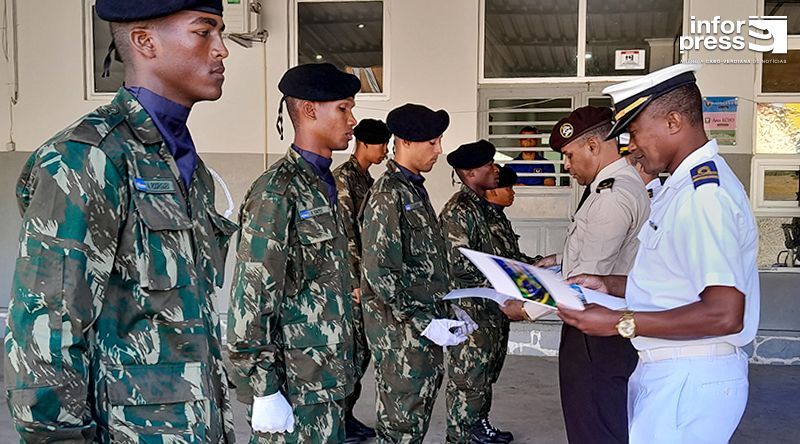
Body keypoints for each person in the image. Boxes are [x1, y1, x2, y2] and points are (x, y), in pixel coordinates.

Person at [4, 1, 237, 442]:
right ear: (145, 41)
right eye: (204, 32)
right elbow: (44, 333)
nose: (222, 49)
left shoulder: (186, 166)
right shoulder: (87, 156)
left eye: (220, 33)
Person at [558, 63, 760, 444]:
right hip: (672, 372)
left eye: (634, 132)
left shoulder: (705, 196)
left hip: (690, 377)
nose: (631, 146)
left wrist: (619, 322)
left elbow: (725, 313)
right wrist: (610, 284)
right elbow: (674, 280)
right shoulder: (679, 189)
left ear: (672, 122)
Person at [226, 63, 360, 443]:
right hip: (291, 385)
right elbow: (252, 298)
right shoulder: (277, 191)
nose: (352, 120)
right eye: (343, 108)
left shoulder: (322, 184)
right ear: (309, 109)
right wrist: (263, 388)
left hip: (325, 377)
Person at [503, 106, 650, 444]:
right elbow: (592, 253)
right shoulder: (613, 186)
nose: (566, 165)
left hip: (597, 333)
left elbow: (588, 279)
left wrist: (526, 309)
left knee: (594, 425)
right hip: (604, 326)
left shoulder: (611, 196)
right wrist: (558, 258)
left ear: (594, 146)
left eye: (569, 155)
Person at [360, 103, 473, 443]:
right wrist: (425, 321)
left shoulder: (412, 189)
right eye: (433, 142)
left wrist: (448, 306)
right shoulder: (388, 193)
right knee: (400, 429)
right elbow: (379, 271)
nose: (440, 150)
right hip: (400, 336)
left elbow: (424, 263)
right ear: (405, 142)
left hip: (420, 329)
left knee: (415, 422)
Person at [439, 140, 515, 444]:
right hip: (470, 309)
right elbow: (459, 265)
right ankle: (460, 435)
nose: (495, 171)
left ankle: (478, 425)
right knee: (468, 378)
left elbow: (503, 256)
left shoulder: (487, 209)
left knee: (485, 375)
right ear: (470, 172)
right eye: (489, 166)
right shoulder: (459, 210)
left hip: (491, 309)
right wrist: (504, 287)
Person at [333, 118, 391, 441]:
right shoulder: (344, 179)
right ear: (365, 144)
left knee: (361, 352)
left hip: (365, 281)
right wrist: (356, 281)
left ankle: (348, 413)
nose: (385, 151)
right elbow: (346, 236)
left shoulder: (365, 179)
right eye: (381, 145)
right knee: (352, 352)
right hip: (352, 283)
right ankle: (338, 418)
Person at [485, 166, 544, 266]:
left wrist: (538, 262)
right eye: (508, 188)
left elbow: (513, 255)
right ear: (492, 191)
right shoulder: (485, 218)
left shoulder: (499, 215)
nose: (513, 192)